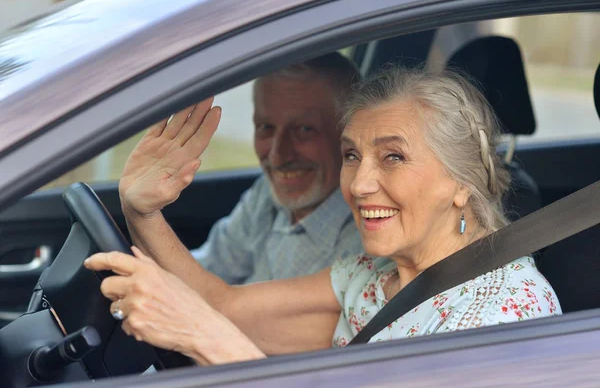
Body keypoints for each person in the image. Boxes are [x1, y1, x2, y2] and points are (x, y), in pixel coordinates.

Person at [85, 67, 561, 366]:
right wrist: (141, 210)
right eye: (352, 155)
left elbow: (212, 322)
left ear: (461, 182)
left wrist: (205, 338)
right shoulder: (371, 277)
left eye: (392, 157)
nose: (358, 184)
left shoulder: (502, 314)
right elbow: (224, 307)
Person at [119, 53, 363, 284]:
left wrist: (143, 215)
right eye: (266, 127)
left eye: (304, 130)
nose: (278, 154)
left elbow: (228, 306)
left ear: (349, 136)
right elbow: (206, 270)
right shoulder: (266, 196)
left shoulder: (366, 236)